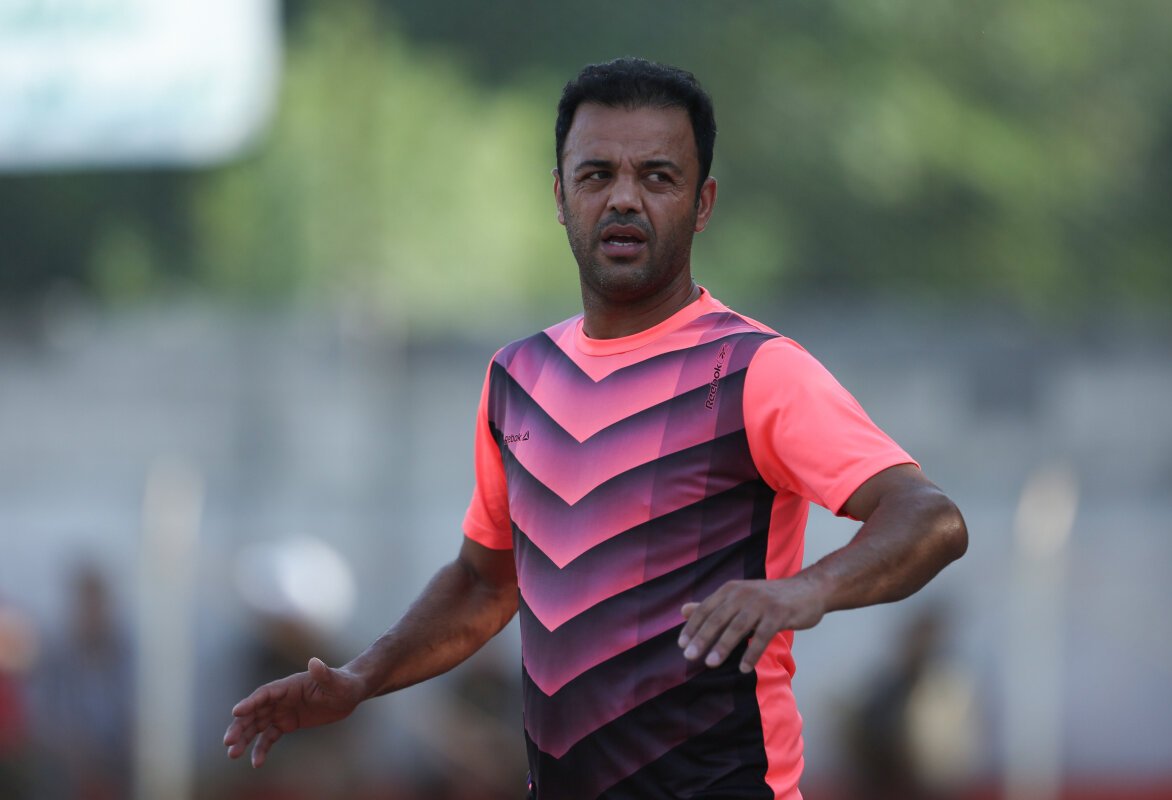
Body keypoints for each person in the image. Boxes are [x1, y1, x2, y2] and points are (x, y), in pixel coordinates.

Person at [224, 58, 968, 800]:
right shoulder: (518, 379)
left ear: (703, 203)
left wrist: (808, 590)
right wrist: (359, 679)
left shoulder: (754, 370)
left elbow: (930, 517)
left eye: (657, 177)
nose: (624, 198)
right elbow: (484, 583)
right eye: (597, 174)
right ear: (560, 195)